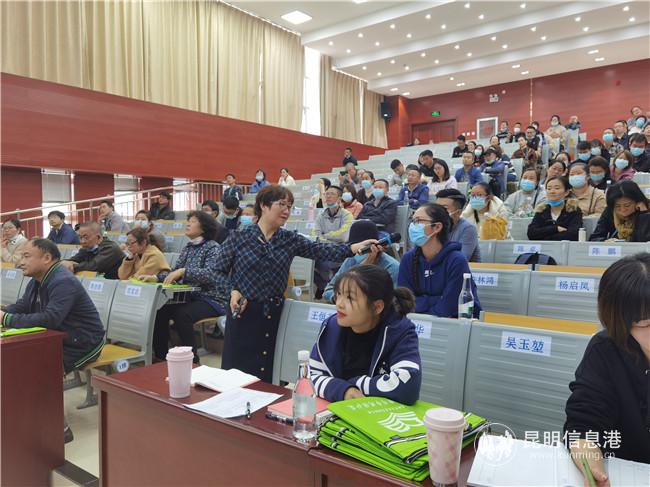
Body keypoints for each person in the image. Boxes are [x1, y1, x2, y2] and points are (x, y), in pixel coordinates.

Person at [215, 185, 377, 382]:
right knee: (236, 377)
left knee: (268, 376)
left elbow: (321, 250)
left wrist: (353, 248)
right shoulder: (239, 237)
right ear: (264, 205)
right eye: (281, 204)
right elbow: (217, 272)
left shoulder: (289, 239)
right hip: (243, 313)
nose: (286, 210)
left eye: (290, 206)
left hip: (273, 315)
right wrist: (232, 291)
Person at [0, 238, 105, 442]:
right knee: (17, 360)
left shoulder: (62, 281)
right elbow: (23, 306)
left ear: (47, 258)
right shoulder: (38, 280)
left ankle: (60, 430)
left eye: (26, 256)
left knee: (41, 369)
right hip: (58, 337)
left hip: (84, 342)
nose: (21, 262)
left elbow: (50, 318)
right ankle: (26, 418)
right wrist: (5, 313)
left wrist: (6, 319)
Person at [564, 253, 650, 473]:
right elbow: (584, 425)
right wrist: (592, 467)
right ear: (621, 323)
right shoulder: (605, 350)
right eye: (647, 324)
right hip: (627, 473)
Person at [309, 265, 421, 405]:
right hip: (339, 412)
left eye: (350, 298)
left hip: (380, 414)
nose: (339, 304)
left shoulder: (399, 331)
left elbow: (408, 386)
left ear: (377, 307)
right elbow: (310, 376)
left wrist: (356, 384)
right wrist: (343, 390)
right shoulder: (332, 327)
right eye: (338, 294)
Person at [142, 211, 228, 363]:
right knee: (160, 309)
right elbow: (175, 272)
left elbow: (210, 274)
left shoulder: (213, 248)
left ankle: (192, 360)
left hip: (212, 298)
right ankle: (161, 356)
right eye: (188, 221)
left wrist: (184, 272)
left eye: (193, 221)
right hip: (191, 296)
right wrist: (155, 277)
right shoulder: (188, 247)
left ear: (204, 227)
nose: (188, 224)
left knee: (182, 314)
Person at [398, 203, 481, 318]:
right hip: (415, 322)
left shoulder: (456, 260)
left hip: (452, 322)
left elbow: (450, 306)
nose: (412, 226)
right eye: (412, 221)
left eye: (418, 221)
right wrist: (436, 299)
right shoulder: (408, 259)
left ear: (437, 227)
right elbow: (403, 302)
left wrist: (421, 302)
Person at [322, 221, 400, 303]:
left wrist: (363, 271)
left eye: (364, 249)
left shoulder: (392, 267)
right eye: (357, 248)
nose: (359, 253)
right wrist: (341, 298)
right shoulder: (351, 259)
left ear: (375, 246)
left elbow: (389, 302)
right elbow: (328, 290)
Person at [527, 176, 583, 241]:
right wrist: (555, 229)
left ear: (566, 192)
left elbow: (573, 235)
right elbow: (531, 233)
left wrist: (544, 237)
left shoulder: (573, 210)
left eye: (557, 188)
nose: (552, 192)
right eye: (549, 189)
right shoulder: (542, 210)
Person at [435, 189, 480, 262]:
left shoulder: (468, 229)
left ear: (458, 213)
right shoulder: (431, 226)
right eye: (436, 207)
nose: (437, 211)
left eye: (444, 208)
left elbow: (459, 260)